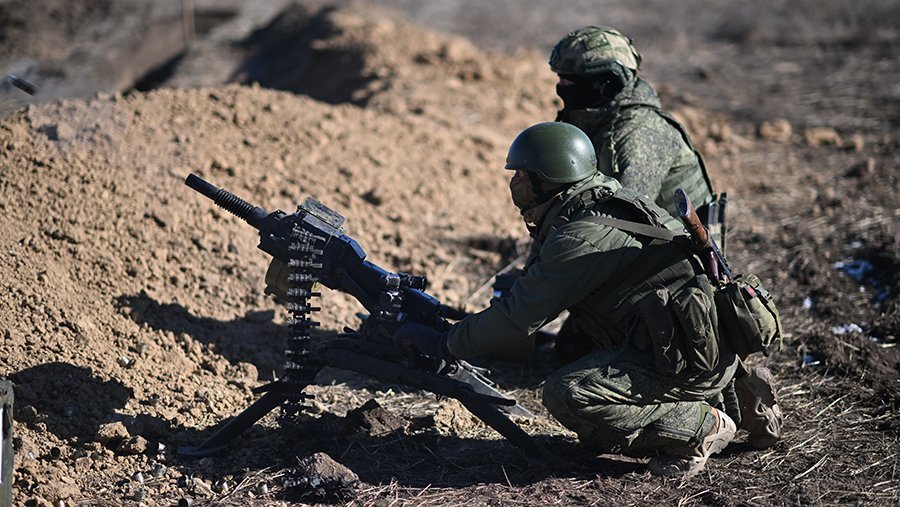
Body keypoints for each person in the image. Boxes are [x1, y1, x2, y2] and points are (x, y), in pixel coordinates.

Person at [398, 122, 741, 477]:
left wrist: (445, 343)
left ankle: (701, 427)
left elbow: (517, 317)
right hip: (697, 346)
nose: (514, 183)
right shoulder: (603, 199)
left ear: (548, 181)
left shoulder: (580, 238)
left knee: (569, 394)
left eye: (522, 175)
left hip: (687, 360)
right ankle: (734, 398)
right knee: (574, 350)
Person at [549, 26, 719, 224]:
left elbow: (623, 220)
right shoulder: (597, 121)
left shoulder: (643, 134)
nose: (560, 87)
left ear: (607, 83)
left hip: (671, 242)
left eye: (568, 80)